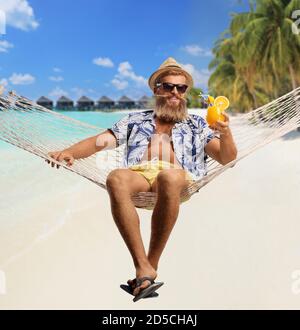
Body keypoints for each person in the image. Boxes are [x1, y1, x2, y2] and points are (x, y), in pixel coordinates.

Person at [47, 57, 237, 301]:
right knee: (116, 177)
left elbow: (226, 158)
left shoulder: (197, 124)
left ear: (186, 92)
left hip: (178, 178)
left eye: (181, 88)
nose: (175, 93)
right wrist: (69, 153)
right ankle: (142, 267)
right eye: (168, 86)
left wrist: (226, 132)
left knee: (168, 177)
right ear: (156, 89)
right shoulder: (135, 120)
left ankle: (152, 263)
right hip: (140, 177)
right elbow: (99, 142)